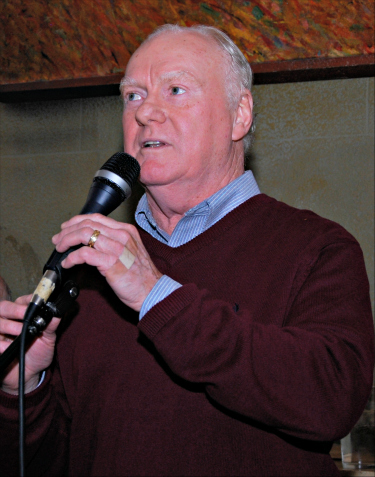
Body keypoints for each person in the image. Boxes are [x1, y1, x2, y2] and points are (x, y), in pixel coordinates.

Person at [0, 24, 374, 476]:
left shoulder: (318, 249)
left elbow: (331, 400)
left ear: (240, 115)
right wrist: (25, 387)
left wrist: (154, 294)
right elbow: (57, 459)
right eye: (133, 96)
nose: (145, 113)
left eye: (175, 90)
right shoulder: (88, 270)